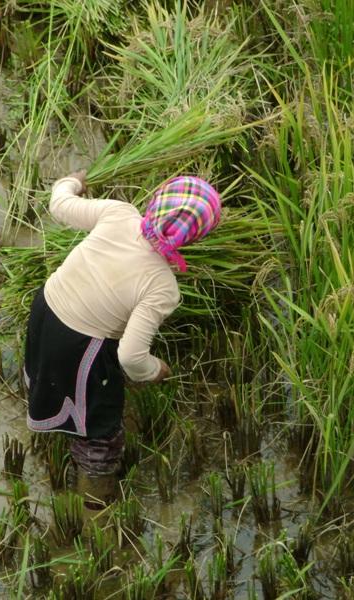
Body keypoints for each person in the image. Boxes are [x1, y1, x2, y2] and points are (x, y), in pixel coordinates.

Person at [24, 170, 221, 508]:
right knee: (99, 431)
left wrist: (70, 181)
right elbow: (130, 356)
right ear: (194, 239)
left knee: (44, 373)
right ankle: (93, 503)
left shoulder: (118, 213)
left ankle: (48, 415)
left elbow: (59, 204)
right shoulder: (162, 286)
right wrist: (155, 369)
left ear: (155, 201)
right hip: (81, 348)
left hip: (47, 311)